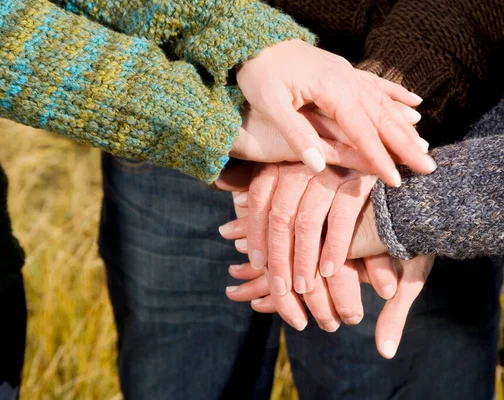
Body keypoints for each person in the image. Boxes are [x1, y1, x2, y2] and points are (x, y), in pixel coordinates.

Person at [99, 0, 504, 399]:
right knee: (177, 371)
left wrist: (377, 111)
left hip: (424, 103)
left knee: (390, 373)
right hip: (175, 83)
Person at [0, 0, 429, 396]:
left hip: (417, 90)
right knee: (184, 366)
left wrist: (388, 101)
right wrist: (216, 107)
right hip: (181, 80)